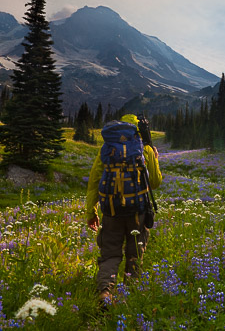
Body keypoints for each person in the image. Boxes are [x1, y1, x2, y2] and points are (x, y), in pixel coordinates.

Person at [85, 113, 162, 306]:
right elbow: (155, 182)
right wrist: (155, 157)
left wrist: (91, 212)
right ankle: (129, 295)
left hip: (111, 210)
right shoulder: (144, 149)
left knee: (110, 253)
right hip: (138, 211)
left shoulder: (107, 148)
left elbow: (94, 182)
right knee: (135, 252)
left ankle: (105, 292)